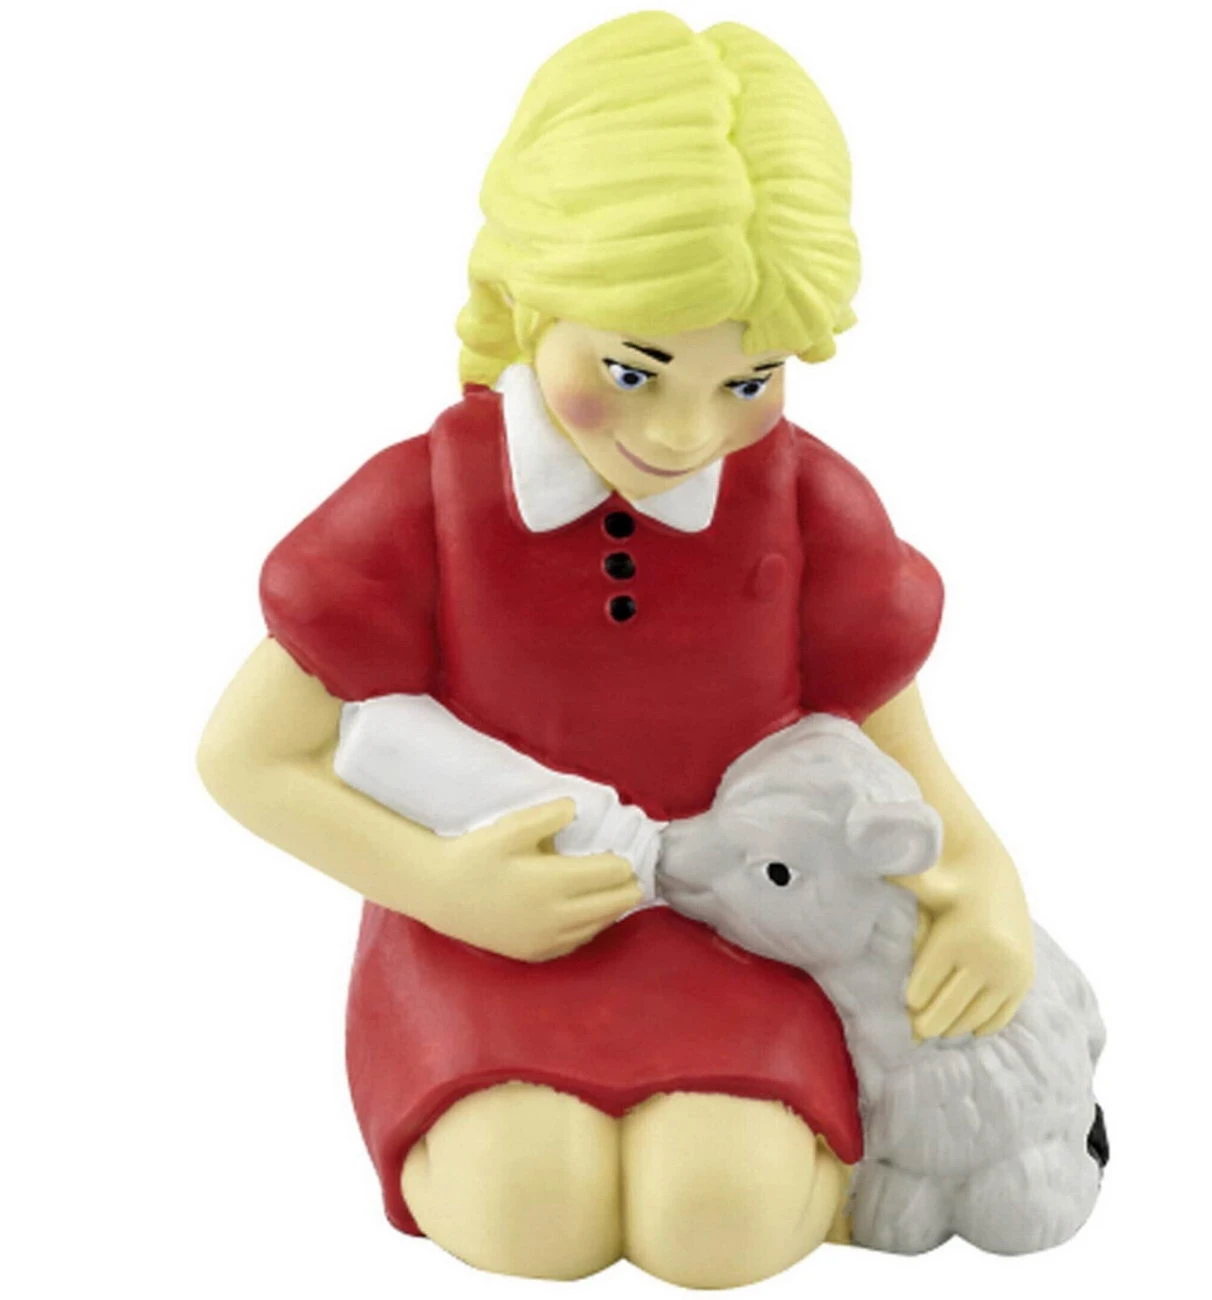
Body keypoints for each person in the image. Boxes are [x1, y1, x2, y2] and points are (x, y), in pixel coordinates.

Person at [196, 11, 1034, 1289]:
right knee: (525, 1210)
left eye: (746, 382)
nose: (688, 433)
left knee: (723, 1219)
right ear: (527, 299)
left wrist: (986, 885)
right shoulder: (424, 504)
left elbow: (895, 747)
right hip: (488, 932)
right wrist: (444, 886)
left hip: (747, 924)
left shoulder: (805, 508)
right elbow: (247, 757)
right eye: (635, 370)